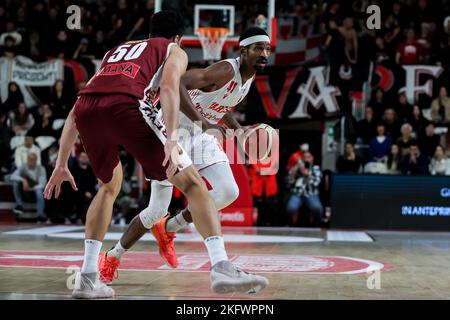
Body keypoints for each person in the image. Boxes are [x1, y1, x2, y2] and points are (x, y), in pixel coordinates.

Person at [44, 11, 268, 299]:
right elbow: (171, 87)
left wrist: (61, 162)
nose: (263, 53)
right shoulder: (175, 49)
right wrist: (172, 139)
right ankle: (219, 266)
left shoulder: (117, 50)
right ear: (178, 37)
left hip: (90, 109)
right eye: (259, 47)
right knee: (186, 191)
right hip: (153, 116)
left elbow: (82, 105)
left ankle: (88, 277)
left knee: (110, 187)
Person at [99, 27, 273, 280]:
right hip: (169, 132)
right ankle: (112, 256)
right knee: (155, 209)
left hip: (199, 136)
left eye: (267, 49)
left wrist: (238, 131)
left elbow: (220, 104)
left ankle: (170, 228)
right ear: (243, 50)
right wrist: (204, 123)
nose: (264, 53)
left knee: (228, 191)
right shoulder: (226, 70)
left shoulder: (248, 78)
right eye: (258, 48)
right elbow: (178, 82)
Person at [286, 151, 323, 226]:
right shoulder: (297, 167)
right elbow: (289, 181)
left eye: (308, 157)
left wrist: (307, 175)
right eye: (304, 157)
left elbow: (316, 183)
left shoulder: (315, 168)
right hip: (298, 193)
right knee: (290, 208)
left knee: (317, 208)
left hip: (311, 193)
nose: (306, 159)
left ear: (312, 158)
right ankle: (292, 224)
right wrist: (296, 168)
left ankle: (317, 224)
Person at [11, 153, 47, 220]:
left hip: (35, 190)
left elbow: (42, 184)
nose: (31, 161)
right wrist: (23, 180)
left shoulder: (41, 168)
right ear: (27, 160)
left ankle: (40, 214)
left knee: (39, 191)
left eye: (33, 159)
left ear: (36, 160)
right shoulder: (23, 167)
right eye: (30, 159)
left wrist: (31, 188)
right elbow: (13, 176)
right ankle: (19, 204)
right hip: (24, 190)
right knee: (15, 183)